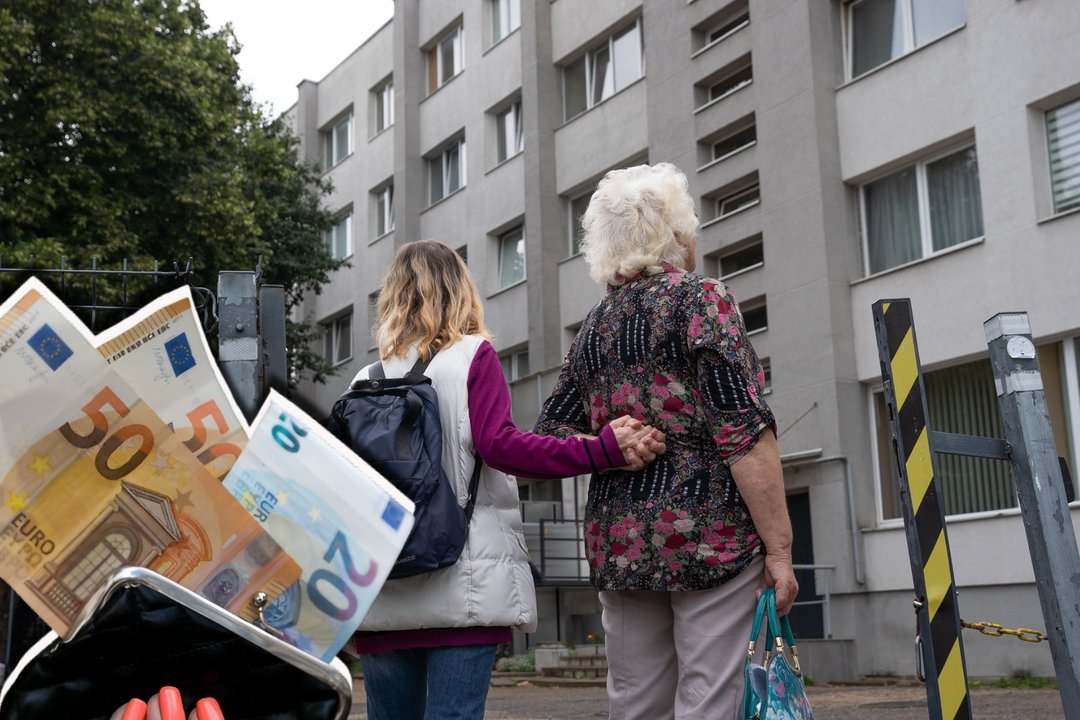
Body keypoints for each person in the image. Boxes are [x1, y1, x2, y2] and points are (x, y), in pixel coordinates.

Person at [352, 240, 666, 720]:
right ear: (460, 290)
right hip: (465, 585)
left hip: (385, 593)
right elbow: (503, 447)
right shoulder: (472, 357)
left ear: (392, 296)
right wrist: (601, 449)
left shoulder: (363, 381)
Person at [534, 162, 798, 720]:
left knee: (634, 705)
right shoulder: (702, 299)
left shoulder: (592, 327)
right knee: (710, 702)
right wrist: (779, 550)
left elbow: (549, 435)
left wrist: (607, 443)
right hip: (711, 538)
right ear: (675, 235)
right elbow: (743, 431)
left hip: (621, 545)